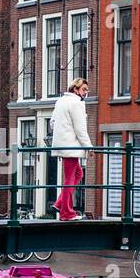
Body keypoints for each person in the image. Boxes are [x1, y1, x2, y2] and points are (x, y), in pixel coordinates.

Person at [50, 77, 92, 221]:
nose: (86, 92)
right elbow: (80, 129)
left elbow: (52, 123)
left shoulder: (60, 101)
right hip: (72, 147)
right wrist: (89, 147)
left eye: (87, 90)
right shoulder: (77, 104)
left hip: (63, 145)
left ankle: (59, 203)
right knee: (69, 178)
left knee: (78, 174)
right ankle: (66, 213)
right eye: (84, 89)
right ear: (75, 89)